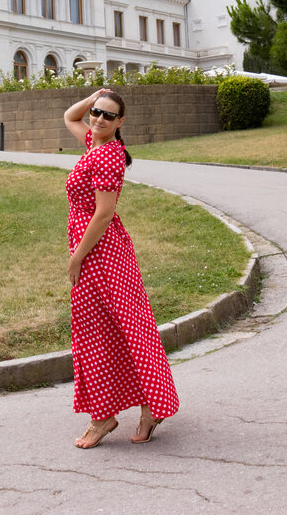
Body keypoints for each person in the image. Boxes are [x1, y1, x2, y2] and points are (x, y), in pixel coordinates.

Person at [62, 89, 178, 449]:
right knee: (105, 332)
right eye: (96, 112)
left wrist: (78, 256)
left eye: (107, 116)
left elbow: (104, 213)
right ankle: (112, 412)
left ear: (120, 123)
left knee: (117, 332)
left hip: (103, 255)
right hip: (96, 251)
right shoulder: (93, 143)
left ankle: (131, 411)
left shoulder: (109, 156)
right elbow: (69, 116)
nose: (97, 119)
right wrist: (95, 96)